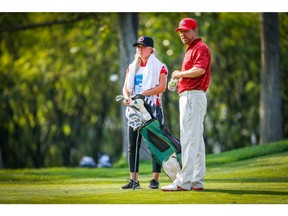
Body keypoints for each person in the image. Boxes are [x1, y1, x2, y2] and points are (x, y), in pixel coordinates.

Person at [161, 18, 211, 191]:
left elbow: (200, 70)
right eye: (180, 31)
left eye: (186, 30)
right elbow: (193, 73)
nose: (182, 34)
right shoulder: (191, 49)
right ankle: (197, 180)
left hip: (193, 97)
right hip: (190, 96)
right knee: (196, 139)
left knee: (189, 139)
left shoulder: (200, 48)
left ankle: (183, 181)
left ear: (195, 30)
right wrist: (177, 81)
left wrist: (180, 74)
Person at [121, 36, 168, 189]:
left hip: (151, 109)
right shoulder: (132, 67)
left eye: (143, 47)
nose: (140, 49)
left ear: (151, 49)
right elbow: (126, 88)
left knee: (154, 144)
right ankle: (133, 180)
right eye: (138, 47)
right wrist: (128, 98)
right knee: (133, 145)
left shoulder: (160, 66)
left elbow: (162, 87)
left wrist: (144, 94)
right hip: (134, 110)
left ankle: (155, 179)